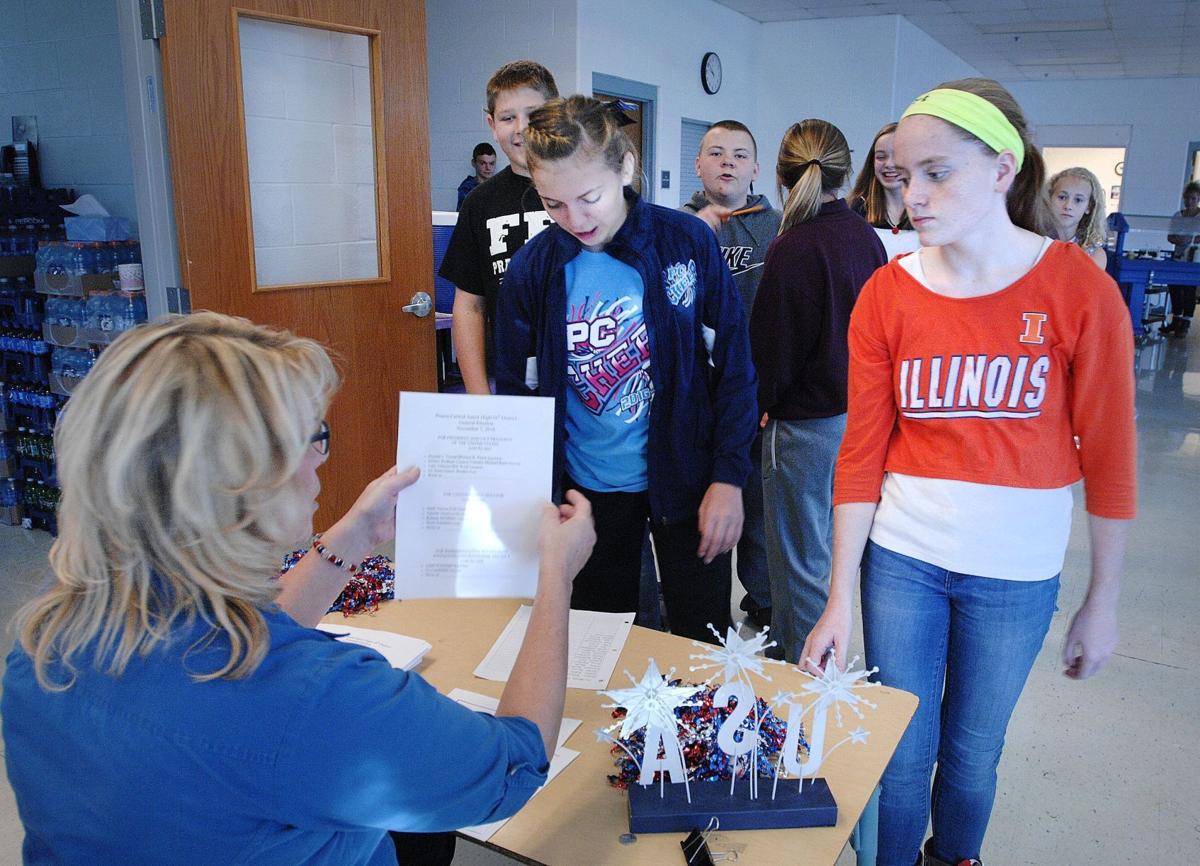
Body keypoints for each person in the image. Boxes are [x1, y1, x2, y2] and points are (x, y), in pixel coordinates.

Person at [1, 312, 596, 865]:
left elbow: (240, 649)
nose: (320, 458)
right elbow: (513, 766)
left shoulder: (41, 643)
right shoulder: (319, 699)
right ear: (241, 486)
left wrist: (355, 535)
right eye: (310, 438)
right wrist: (554, 580)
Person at [801, 79, 1135, 866]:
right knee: (903, 755)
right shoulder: (888, 292)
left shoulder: (1077, 291)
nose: (913, 194)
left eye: (936, 172)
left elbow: (1114, 461)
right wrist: (837, 598)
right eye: (901, 176)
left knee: (973, 758)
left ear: (1002, 168)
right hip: (904, 563)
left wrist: (1103, 602)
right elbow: (861, 456)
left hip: (1015, 576)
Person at [496, 96, 758, 644]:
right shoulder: (535, 267)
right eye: (555, 204)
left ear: (626, 168)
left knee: (700, 639)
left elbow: (735, 368)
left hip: (687, 484)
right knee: (600, 643)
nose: (576, 219)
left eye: (589, 197)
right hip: (587, 495)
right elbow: (516, 394)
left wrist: (729, 478)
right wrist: (532, 495)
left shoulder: (685, 242)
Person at [749, 119, 886, 663]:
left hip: (803, 428)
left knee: (800, 562)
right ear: (845, 171)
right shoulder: (865, 238)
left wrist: (757, 407)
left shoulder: (793, 246)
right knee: (832, 557)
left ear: (782, 175)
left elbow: (774, 350)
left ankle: (803, 686)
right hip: (856, 422)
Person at [681, 119, 782, 629]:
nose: (727, 162)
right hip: (691, 394)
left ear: (756, 169)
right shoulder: (674, 225)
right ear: (697, 165)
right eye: (716, 153)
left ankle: (762, 598)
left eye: (739, 155)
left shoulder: (778, 228)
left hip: (754, 390)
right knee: (703, 498)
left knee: (757, 504)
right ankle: (702, 602)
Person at [439, 61, 559, 395]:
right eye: (508, 118)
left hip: (593, 389)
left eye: (533, 114)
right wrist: (479, 395)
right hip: (516, 388)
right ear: (492, 124)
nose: (521, 128)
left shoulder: (585, 193)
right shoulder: (479, 203)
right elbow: (469, 306)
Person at [848, 122, 920, 258]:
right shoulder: (856, 210)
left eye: (898, 156)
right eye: (881, 157)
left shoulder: (928, 209)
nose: (889, 164)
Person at [1047, 166, 1108, 269]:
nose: (1068, 206)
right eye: (1062, 197)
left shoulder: (1095, 254)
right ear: (1049, 199)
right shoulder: (1032, 241)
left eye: (1078, 200)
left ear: (1089, 207)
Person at [1163, 180, 1200, 337]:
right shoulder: (1178, 216)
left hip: (1194, 258)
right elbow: (1170, 236)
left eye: (1193, 198)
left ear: (1198, 199)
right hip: (1178, 256)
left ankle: (1185, 322)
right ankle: (1176, 319)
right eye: (1187, 198)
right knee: (1175, 288)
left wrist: (1193, 240)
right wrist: (1178, 240)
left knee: (1189, 290)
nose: (1189, 202)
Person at [456, 142, 497, 210]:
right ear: (473, 163)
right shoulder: (467, 188)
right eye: (483, 163)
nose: (488, 168)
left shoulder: (500, 184)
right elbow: (463, 216)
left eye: (491, 163)